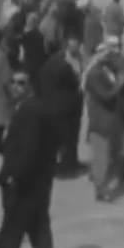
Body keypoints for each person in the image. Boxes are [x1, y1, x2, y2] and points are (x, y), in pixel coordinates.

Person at [0, 71, 58, 248]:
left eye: (21, 83)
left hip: (24, 186)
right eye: (12, 82)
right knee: (39, 231)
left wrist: (14, 177)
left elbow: (30, 150)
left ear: (31, 86)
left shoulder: (29, 111)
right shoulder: (34, 107)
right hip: (39, 184)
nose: (15, 86)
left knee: (10, 236)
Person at [84, 38, 124, 201]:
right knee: (101, 157)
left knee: (109, 155)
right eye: (108, 54)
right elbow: (106, 96)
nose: (111, 57)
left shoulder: (105, 69)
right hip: (101, 121)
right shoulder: (95, 74)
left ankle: (103, 184)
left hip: (111, 120)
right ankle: (100, 189)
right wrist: (120, 84)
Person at [39, 34, 85, 177]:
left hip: (54, 104)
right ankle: (67, 166)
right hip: (67, 106)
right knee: (68, 137)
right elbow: (74, 83)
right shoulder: (64, 66)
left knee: (62, 137)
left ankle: (67, 163)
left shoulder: (48, 64)